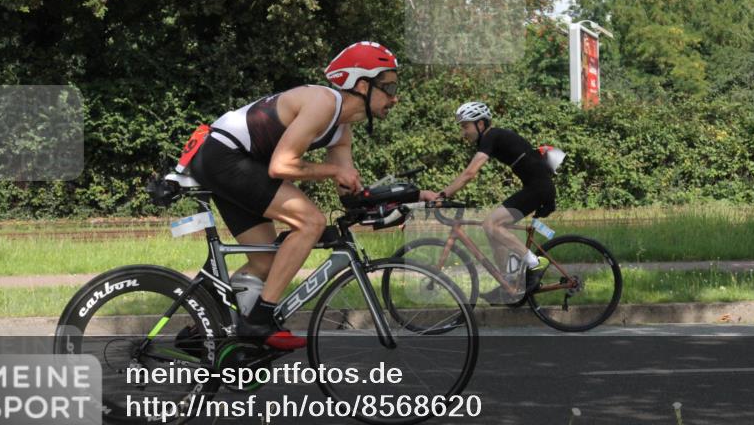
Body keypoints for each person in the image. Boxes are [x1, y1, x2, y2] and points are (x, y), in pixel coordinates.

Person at [189, 42, 400, 348]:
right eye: (389, 88)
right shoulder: (322, 103)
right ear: (363, 85)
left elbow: (348, 189)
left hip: (239, 162)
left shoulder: (341, 129)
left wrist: (392, 202)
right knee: (311, 222)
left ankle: (199, 331)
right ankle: (259, 322)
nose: (395, 97)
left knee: (265, 263)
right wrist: (333, 171)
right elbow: (281, 166)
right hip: (224, 156)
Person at [419, 101, 556, 304]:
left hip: (538, 188)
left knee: (491, 224)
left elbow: (470, 173)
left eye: (465, 126)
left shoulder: (492, 136)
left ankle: (535, 263)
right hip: (537, 187)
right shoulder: (492, 138)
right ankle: (509, 282)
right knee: (492, 229)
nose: (463, 132)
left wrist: (443, 195)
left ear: (481, 124)